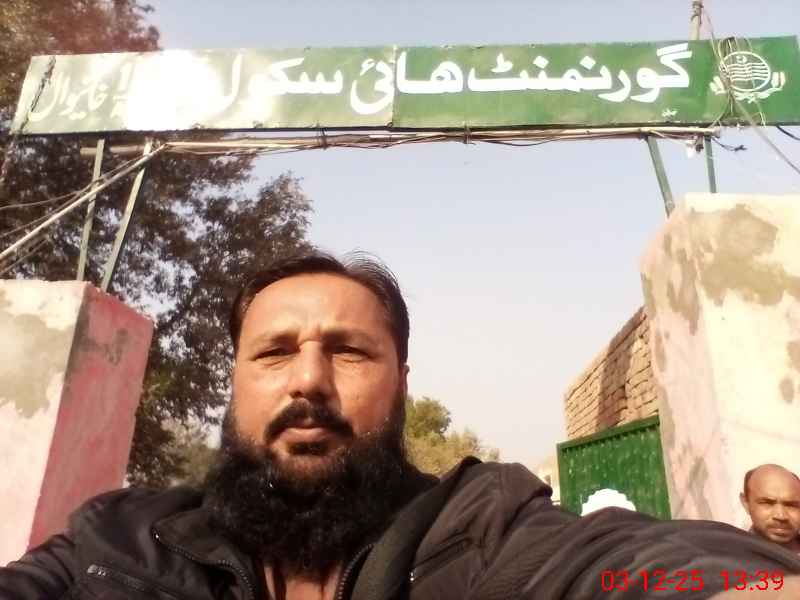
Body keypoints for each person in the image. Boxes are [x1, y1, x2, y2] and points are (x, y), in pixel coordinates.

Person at [2, 250, 800, 600]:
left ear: (403, 384)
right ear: (235, 384)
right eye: (273, 353)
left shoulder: (484, 531)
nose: (308, 380)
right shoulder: (119, 541)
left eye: (348, 352)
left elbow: (634, 569)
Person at [741, 464, 800, 553]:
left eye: (791, 505)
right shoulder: (733, 557)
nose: (781, 516)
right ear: (746, 503)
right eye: (768, 503)